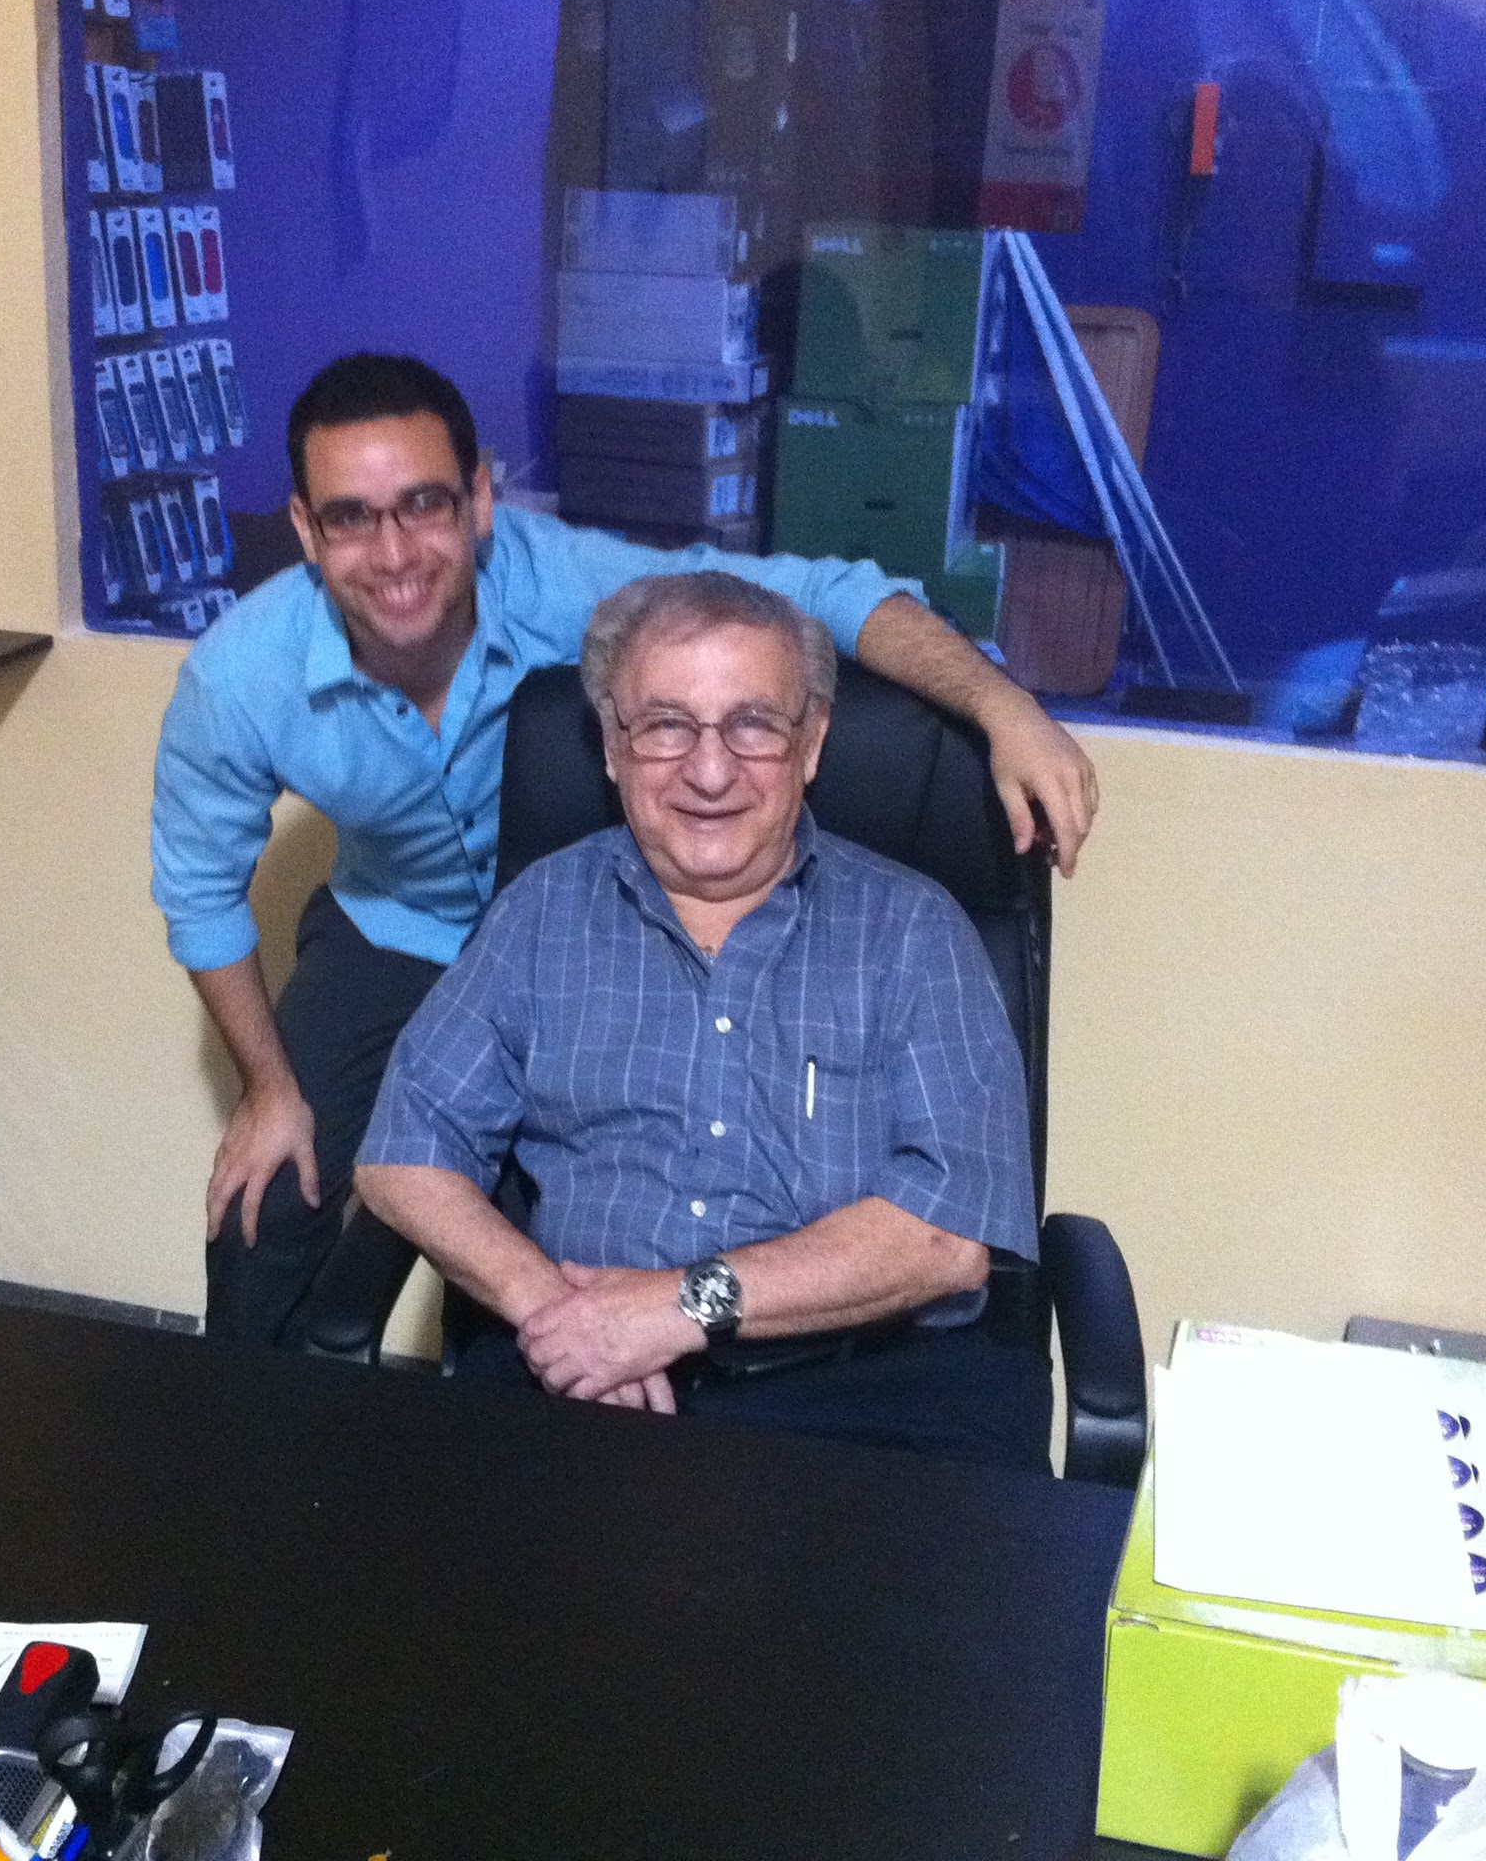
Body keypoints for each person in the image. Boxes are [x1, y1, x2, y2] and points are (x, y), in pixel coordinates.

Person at [152, 352, 1091, 1347]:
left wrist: (1002, 703)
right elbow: (203, 893)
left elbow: (815, 594)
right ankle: (256, 1473)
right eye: (350, 516)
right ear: (304, 528)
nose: (392, 554)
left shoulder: (571, 588)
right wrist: (268, 1088)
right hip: (398, 923)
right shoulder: (238, 677)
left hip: (592, 927)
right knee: (270, 1201)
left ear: (480, 500)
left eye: (424, 504)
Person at [352, 571, 1045, 1463]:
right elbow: (403, 1151)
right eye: (667, 725)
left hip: (868, 1401)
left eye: (753, 724)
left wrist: (677, 1308)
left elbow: (946, 1238)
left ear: (812, 744)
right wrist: (554, 1309)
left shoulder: (912, 930)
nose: (709, 772)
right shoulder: (541, 913)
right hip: (581, 1380)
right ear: (612, 745)